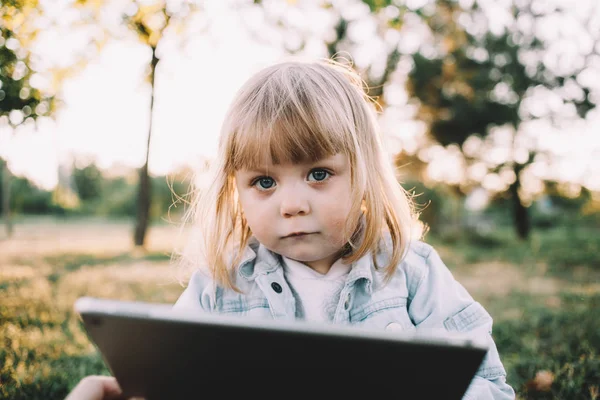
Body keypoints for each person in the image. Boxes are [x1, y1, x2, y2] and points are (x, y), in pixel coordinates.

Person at [66, 58, 515, 399]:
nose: (293, 205)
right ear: (235, 192)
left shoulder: (413, 272)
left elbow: (489, 385)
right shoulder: (221, 286)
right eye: (264, 182)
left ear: (364, 175)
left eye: (319, 174)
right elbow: (178, 383)